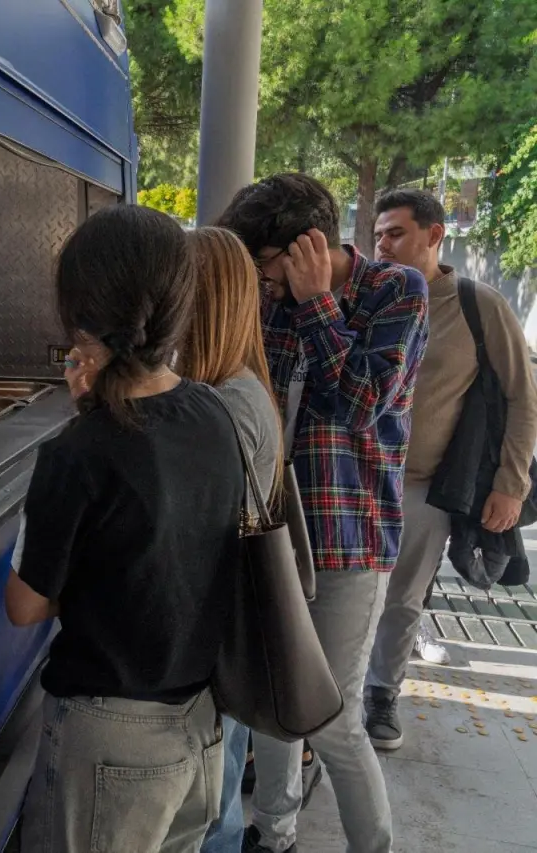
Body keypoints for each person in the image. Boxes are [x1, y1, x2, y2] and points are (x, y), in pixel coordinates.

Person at [7, 205, 244, 853]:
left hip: (110, 740)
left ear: (79, 315)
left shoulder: (78, 450)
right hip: (199, 723)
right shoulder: (213, 410)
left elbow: (24, 605)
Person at [217, 174, 429, 853]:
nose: (261, 280)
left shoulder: (396, 290)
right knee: (279, 698)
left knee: (333, 716)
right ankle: (273, 832)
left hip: (350, 535)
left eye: (266, 264)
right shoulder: (267, 299)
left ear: (308, 246)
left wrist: (315, 304)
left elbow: (361, 403)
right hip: (272, 531)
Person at [365, 189, 537, 748]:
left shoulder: (477, 304)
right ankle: (332, 694)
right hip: (354, 479)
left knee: (403, 596)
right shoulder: (366, 295)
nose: (382, 245)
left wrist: (511, 484)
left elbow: (522, 397)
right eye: (378, 235)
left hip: (424, 482)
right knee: (343, 593)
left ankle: (381, 694)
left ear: (435, 235)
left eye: (396, 233)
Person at [179, 228, 282, 853]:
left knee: (211, 816)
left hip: (216, 643)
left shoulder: (230, 401)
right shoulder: (225, 388)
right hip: (215, 639)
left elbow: (201, 534)